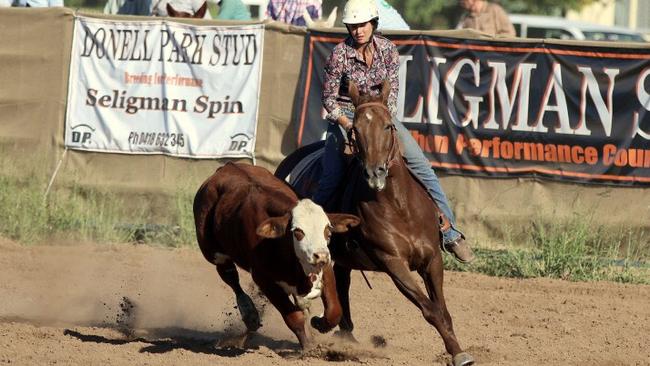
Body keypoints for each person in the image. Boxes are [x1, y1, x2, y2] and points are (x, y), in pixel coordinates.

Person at [315, 0, 475, 263]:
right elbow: (329, 99)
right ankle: (317, 237)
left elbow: (392, 93)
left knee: (421, 166)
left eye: (362, 25)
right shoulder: (338, 54)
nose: (358, 31)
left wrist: (380, 119)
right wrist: (347, 124)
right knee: (331, 175)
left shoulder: (388, 50)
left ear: (373, 24)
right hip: (346, 117)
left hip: (380, 117)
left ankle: (450, 234)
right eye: (353, 26)